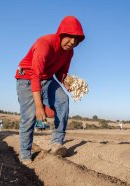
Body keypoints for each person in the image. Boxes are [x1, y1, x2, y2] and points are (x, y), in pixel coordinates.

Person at [15, 16, 85, 164]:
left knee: (63, 100)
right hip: (27, 78)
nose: (73, 42)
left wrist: (70, 85)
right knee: (29, 117)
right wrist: (39, 107)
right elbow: (35, 74)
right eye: (70, 37)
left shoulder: (69, 52)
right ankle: (25, 155)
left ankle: (56, 143)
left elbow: (61, 73)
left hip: (47, 79)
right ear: (61, 33)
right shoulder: (44, 44)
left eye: (76, 39)